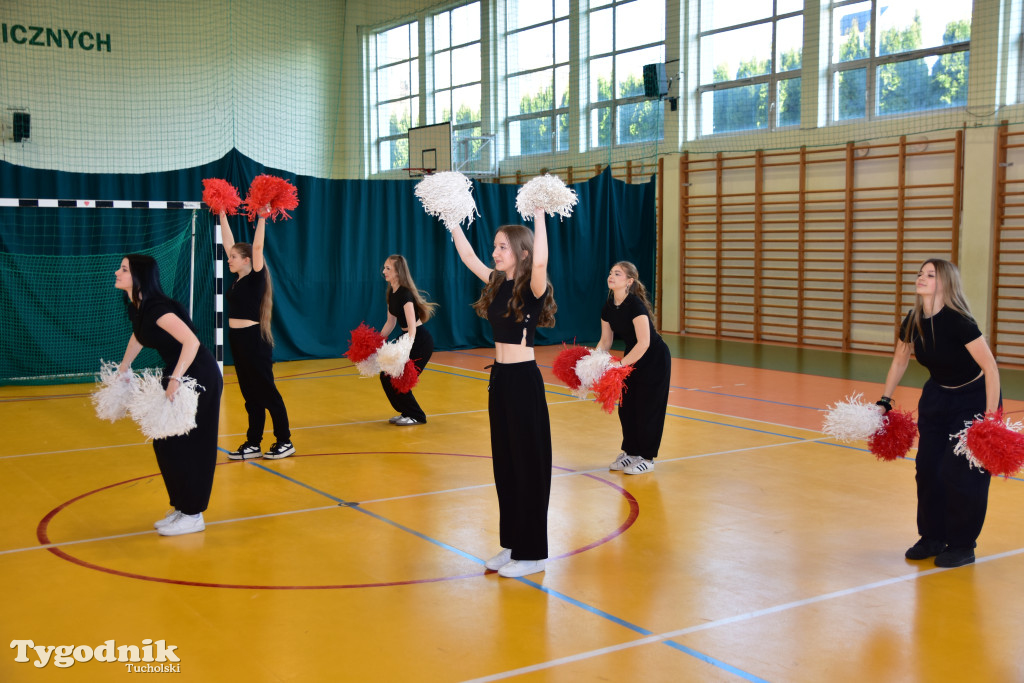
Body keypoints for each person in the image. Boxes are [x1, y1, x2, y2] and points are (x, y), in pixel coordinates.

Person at [449, 210, 556, 578]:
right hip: (501, 382)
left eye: (502, 247)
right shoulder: (497, 282)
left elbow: (541, 258)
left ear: (521, 252)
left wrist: (539, 214)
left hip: (525, 382)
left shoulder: (533, 286)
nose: (494, 252)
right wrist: (450, 217)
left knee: (529, 468)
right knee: (506, 467)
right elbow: (467, 258)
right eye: (494, 246)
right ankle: (513, 544)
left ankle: (534, 553)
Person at [878, 258, 1001, 568]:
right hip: (937, 397)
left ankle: (962, 545)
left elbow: (990, 367)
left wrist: (990, 418)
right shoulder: (913, 319)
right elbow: (899, 360)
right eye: (920, 273)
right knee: (928, 468)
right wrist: (884, 399)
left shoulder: (960, 322)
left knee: (961, 474)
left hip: (974, 399)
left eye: (930, 275)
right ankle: (932, 536)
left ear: (945, 283)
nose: (921, 277)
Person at [114, 254, 223, 536]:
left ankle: (194, 513)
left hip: (197, 376)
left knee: (192, 446)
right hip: (177, 373)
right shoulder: (137, 308)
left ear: (138, 276)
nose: (117, 272)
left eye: (123, 269)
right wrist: (124, 367)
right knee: (165, 443)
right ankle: (181, 507)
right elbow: (139, 336)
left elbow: (192, 341)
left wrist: (175, 378)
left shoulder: (158, 309)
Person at [219, 209, 295, 460]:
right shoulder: (238, 280)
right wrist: (221, 213)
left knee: (266, 391)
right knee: (250, 395)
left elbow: (258, 247)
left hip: (254, 341)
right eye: (229, 256)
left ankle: (284, 440)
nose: (228, 259)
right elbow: (229, 243)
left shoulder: (256, 276)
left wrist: (262, 216)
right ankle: (253, 442)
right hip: (237, 341)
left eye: (233, 257)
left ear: (247, 260)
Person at [596, 261, 672, 475]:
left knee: (648, 408)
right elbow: (605, 341)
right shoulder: (608, 306)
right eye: (611, 272)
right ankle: (631, 452)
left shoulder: (635, 306)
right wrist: (593, 360)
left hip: (653, 360)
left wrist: (619, 365)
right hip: (632, 360)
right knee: (627, 408)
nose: (611, 276)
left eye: (617, 274)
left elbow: (645, 343)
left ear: (629, 281)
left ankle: (646, 458)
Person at [379, 255, 437, 426]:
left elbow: (412, 327)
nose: (384, 271)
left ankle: (417, 415)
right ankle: (405, 411)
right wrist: (377, 341)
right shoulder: (392, 292)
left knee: (400, 377)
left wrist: (405, 350)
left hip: (419, 341)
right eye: (384, 267)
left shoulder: (405, 294)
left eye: (388, 268)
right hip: (406, 338)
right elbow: (390, 322)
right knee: (386, 375)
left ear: (398, 272)